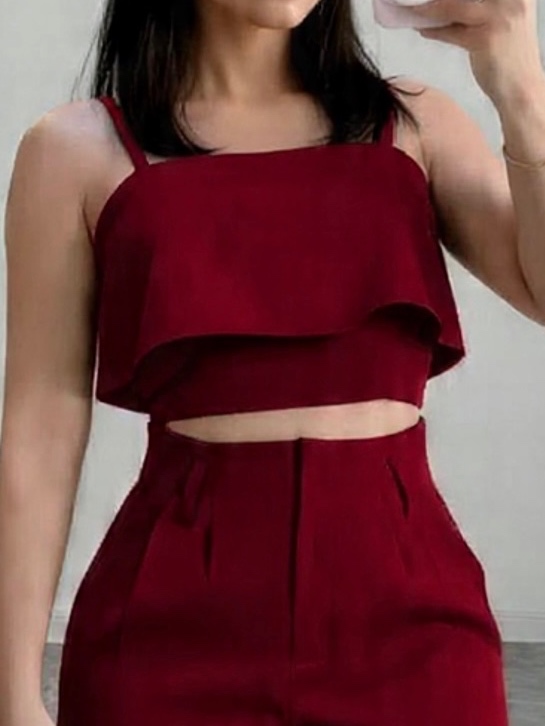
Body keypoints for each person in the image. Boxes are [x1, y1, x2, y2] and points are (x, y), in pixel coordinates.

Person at [7, 0, 538, 723]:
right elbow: (39, 430)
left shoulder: (415, 124)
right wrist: (14, 695)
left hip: (415, 628)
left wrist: (518, 82)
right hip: (166, 634)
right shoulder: (73, 150)